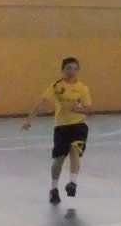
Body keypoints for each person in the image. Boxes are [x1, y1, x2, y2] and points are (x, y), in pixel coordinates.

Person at [21, 57, 93, 204]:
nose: (71, 71)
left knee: (75, 152)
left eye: (75, 68)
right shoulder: (56, 87)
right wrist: (29, 120)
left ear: (78, 70)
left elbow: (89, 109)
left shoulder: (82, 88)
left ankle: (72, 183)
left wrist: (77, 109)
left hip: (78, 125)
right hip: (62, 127)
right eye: (68, 68)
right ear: (62, 70)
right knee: (59, 160)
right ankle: (54, 189)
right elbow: (42, 102)